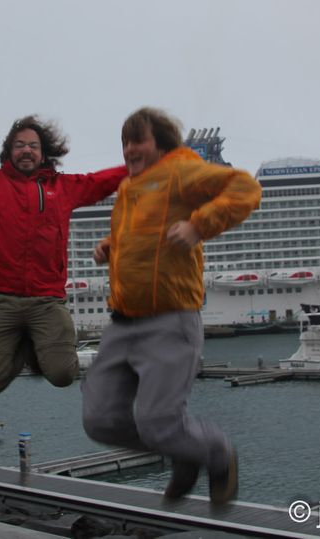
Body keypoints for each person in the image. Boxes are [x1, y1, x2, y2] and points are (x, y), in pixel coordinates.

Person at [81, 107, 262, 504]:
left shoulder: (181, 170)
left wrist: (198, 226)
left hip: (169, 320)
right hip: (122, 322)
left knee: (157, 422)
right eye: (125, 141)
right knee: (99, 420)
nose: (129, 149)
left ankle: (216, 452)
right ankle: (184, 449)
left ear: (161, 144)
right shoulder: (129, 187)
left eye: (138, 140)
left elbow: (246, 187)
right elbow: (143, 234)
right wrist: (110, 247)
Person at [0, 52, 127, 396]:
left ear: (43, 153)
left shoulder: (63, 187)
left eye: (33, 146)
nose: (26, 151)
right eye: (19, 145)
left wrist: (143, 165)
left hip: (47, 301)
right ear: (9, 151)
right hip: (2, 302)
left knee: (63, 375)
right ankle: (23, 344)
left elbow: (102, 181)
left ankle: (36, 340)